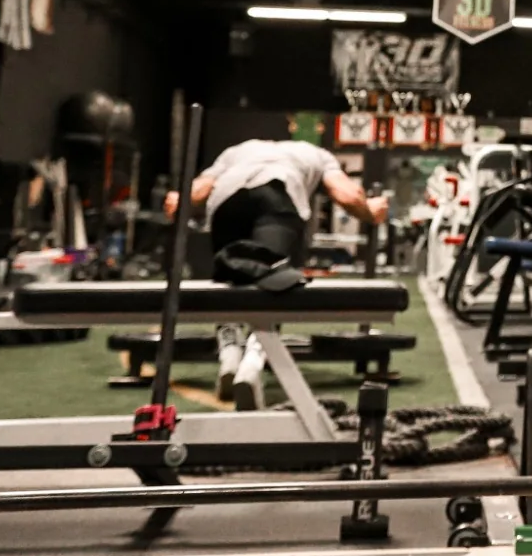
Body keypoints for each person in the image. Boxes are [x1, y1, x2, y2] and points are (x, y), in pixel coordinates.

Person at [165, 137, 387, 409]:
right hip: (277, 197)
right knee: (272, 284)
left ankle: (229, 359)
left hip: (227, 202)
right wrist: (371, 212)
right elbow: (347, 195)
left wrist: (178, 200)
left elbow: (197, 191)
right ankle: (251, 367)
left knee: (230, 280)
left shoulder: (236, 149)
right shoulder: (316, 154)